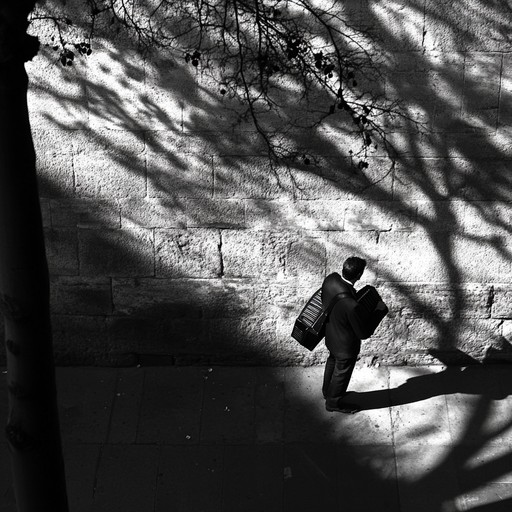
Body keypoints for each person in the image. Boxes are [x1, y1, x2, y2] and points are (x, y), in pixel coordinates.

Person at [321, 256, 377, 414]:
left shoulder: (331, 279)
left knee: (332, 361)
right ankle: (333, 403)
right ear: (359, 275)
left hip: (331, 335)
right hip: (345, 346)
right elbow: (363, 333)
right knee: (342, 374)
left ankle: (327, 391)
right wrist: (376, 313)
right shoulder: (351, 305)